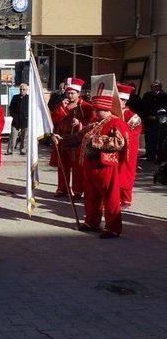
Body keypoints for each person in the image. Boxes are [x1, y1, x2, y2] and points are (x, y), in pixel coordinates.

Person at [52, 94, 127, 238]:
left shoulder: (116, 123)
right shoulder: (95, 123)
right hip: (90, 164)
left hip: (106, 166)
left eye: (98, 110)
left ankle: (113, 227)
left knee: (110, 197)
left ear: (106, 109)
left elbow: (119, 143)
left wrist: (96, 140)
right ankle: (91, 222)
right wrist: (61, 140)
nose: (95, 113)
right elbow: (79, 137)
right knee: (91, 195)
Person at [50, 77, 93, 199]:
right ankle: (62, 189)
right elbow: (53, 120)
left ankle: (78, 191)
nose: (69, 96)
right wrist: (61, 109)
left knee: (77, 167)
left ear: (78, 93)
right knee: (62, 166)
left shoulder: (86, 106)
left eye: (72, 93)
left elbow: (92, 124)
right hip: (61, 138)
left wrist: (80, 123)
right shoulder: (61, 104)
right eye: (68, 93)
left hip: (77, 141)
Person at [118, 83, 142, 207]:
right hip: (115, 147)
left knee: (127, 172)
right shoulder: (113, 112)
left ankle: (126, 199)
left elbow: (135, 132)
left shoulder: (132, 116)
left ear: (123, 101)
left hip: (128, 149)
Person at [140, 80, 167, 161]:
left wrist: (158, 116)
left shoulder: (164, 96)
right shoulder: (147, 95)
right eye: (153, 86)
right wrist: (147, 116)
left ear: (160, 87)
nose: (154, 88)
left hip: (161, 122)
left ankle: (159, 156)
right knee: (149, 138)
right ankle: (150, 155)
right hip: (149, 120)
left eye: (156, 86)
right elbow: (143, 108)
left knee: (160, 139)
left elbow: (165, 108)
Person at [6, 83, 29, 155]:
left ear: (26, 90)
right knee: (13, 136)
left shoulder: (29, 98)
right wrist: (14, 116)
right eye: (21, 89)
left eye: (23, 89)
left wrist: (28, 117)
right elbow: (11, 108)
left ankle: (23, 150)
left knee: (25, 137)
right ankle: (10, 150)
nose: (22, 91)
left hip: (25, 120)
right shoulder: (15, 97)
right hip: (16, 120)